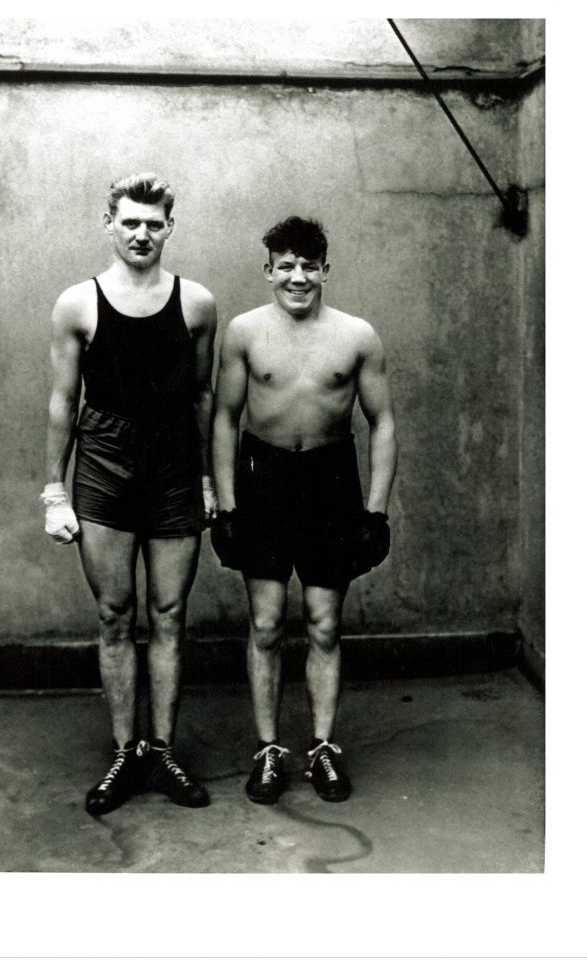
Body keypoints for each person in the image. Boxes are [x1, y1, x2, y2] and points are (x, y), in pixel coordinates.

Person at [41, 173, 217, 815]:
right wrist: (53, 491)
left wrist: (206, 479)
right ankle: (124, 752)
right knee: (115, 613)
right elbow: (64, 400)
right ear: (108, 223)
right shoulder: (77, 304)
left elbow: (201, 397)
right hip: (105, 462)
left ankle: (161, 751)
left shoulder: (196, 303)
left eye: (153, 222)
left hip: (173, 464)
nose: (141, 233)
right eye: (130, 221)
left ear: (170, 227)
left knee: (169, 614)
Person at [211, 216, 397, 805]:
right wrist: (226, 505)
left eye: (308, 266)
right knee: (265, 624)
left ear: (324, 270)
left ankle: (321, 747)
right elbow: (223, 419)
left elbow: (383, 422)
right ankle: (268, 750)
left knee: (324, 622)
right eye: (284, 266)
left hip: (330, 482)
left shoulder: (357, 336)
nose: (297, 277)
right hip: (263, 482)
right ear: (268, 271)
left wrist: (375, 511)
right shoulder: (243, 332)